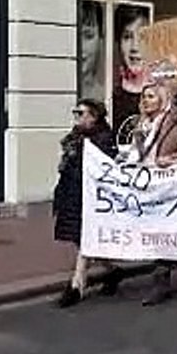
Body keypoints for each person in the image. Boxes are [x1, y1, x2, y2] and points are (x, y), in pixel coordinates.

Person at [130, 82, 177, 306]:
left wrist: (171, 160)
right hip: (150, 186)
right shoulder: (140, 125)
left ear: (163, 99)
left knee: (172, 232)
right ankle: (164, 281)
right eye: (144, 97)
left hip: (173, 186)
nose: (146, 101)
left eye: (151, 96)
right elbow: (137, 153)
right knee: (157, 234)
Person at [54, 99, 121, 308]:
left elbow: (105, 167)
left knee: (86, 237)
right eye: (75, 113)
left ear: (94, 117)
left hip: (91, 195)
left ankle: (77, 284)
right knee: (79, 237)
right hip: (71, 191)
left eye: (81, 113)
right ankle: (112, 271)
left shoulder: (103, 138)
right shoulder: (75, 136)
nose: (77, 117)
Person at [112, 5, 150, 130]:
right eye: (127, 37)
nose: (135, 47)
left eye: (142, 37)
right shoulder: (109, 96)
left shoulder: (164, 96)